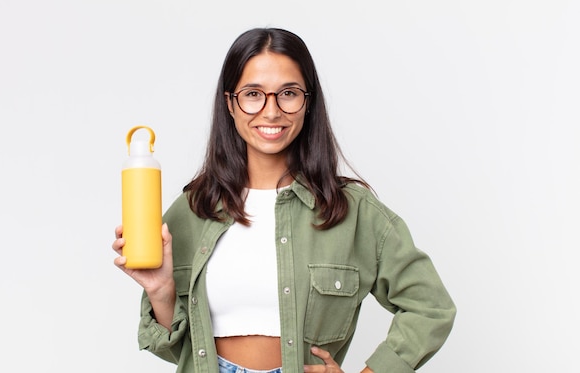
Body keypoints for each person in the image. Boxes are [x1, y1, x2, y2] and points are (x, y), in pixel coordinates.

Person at [112, 27, 456, 373]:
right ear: (230, 103)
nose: (271, 111)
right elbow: (179, 351)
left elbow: (431, 308)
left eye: (288, 93)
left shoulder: (353, 213)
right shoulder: (192, 210)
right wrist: (161, 292)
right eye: (252, 94)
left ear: (308, 102)